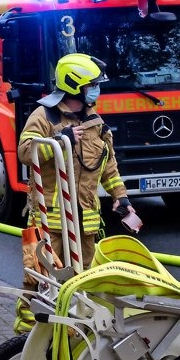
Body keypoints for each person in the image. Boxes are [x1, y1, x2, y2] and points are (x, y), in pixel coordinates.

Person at [17, 53, 136, 272]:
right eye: (92, 85)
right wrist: (61, 140)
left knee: (85, 280)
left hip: (85, 223)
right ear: (74, 85)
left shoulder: (94, 121)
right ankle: (29, 307)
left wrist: (121, 197)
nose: (96, 89)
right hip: (49, 223)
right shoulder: (43, 116)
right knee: (40, 278)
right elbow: (25, 152)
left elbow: (108, 166)